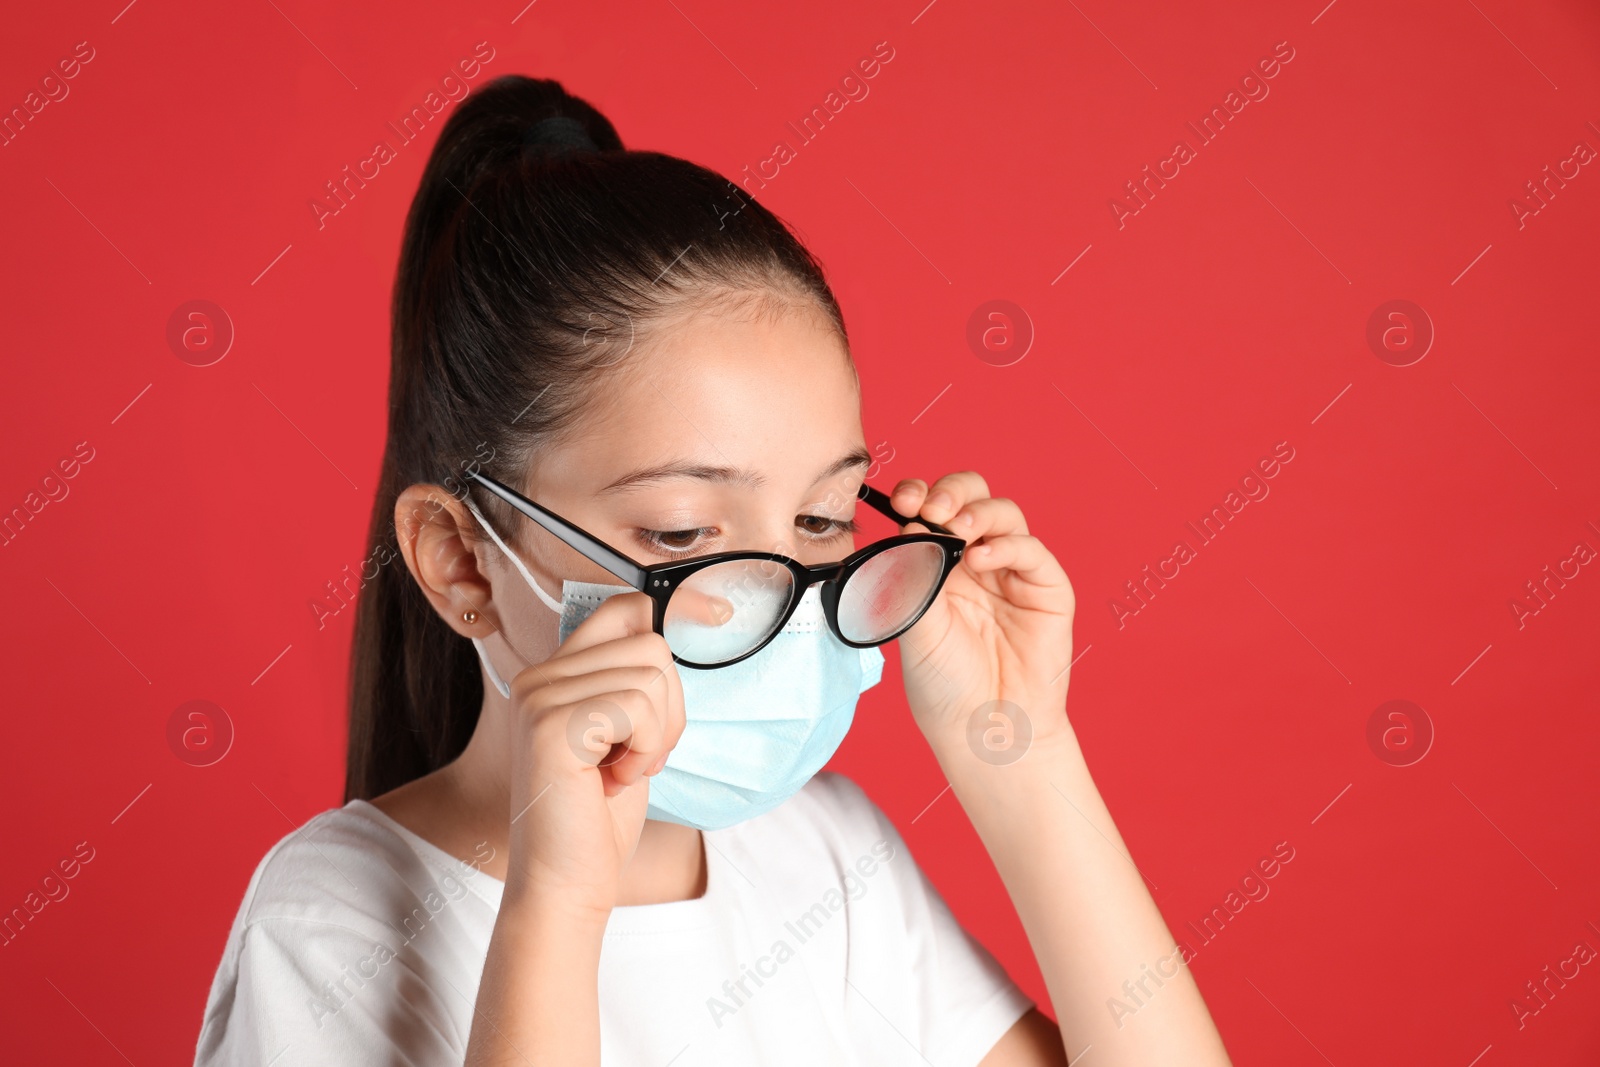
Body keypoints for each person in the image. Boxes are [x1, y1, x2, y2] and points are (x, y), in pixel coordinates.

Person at [194, 74, 1232, 1066]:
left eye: (822, 517)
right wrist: (556, 900)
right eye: (685, 535)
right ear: (464, 560)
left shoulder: (823, 856)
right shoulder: (329, 922)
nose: (776, 606)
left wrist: (1022, 752)